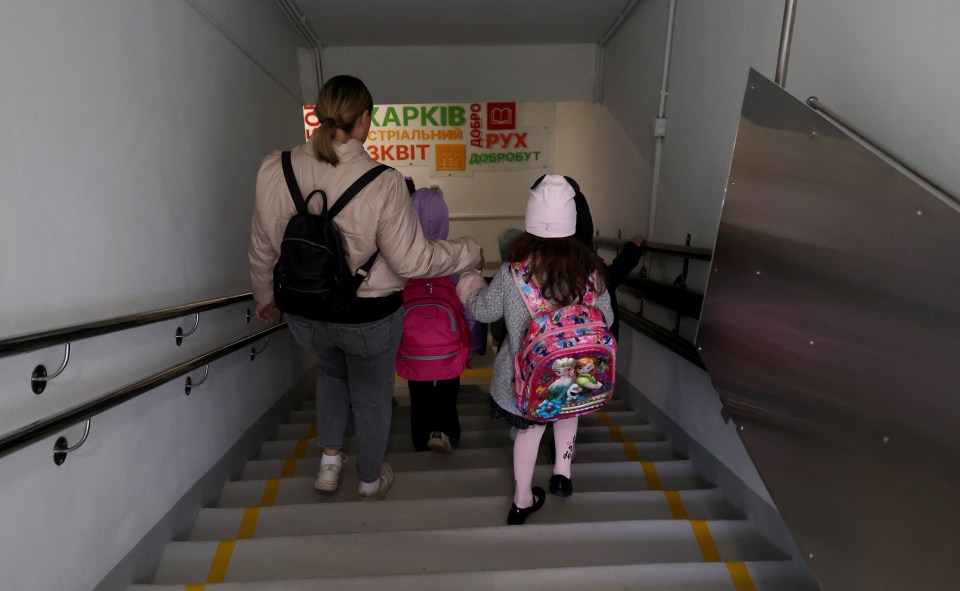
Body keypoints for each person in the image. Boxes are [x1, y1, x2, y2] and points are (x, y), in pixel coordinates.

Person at [249, 75, 483, 500]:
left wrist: (265, 297)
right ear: (364, 119)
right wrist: (467, 251)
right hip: (368, 318)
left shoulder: (274, 167)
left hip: (305, 313)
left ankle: (329, 464)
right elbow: (413, 261)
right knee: (372, 397)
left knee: (332, 376)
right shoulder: (384, 181)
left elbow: (263, 246)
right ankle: (371, 478)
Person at [456, 175, 614, 525]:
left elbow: (483, 311)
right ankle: (562, 472)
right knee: (567, 413)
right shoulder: (590, 273)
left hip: (526, 378)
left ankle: (522, 499)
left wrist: (468, 285)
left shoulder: (515, 275)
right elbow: (608, 316)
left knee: (530, 431)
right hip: (578, 370)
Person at [402, 186, 470, 453]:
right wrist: (472, 346)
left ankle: (420, 437)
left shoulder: (401, 259)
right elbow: (470, 307)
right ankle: (446, 429)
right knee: (448, 383)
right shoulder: (455, 256)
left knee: (418, 389)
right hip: (448, 342)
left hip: (413, 341)